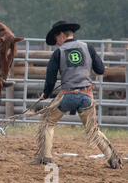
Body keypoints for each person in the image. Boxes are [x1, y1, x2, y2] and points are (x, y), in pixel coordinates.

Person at [33, 20, 123, 169]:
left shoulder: (58, 53)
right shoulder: (88, 47)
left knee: (48, 122)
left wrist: (46, 94)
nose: (56, 43)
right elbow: (100, 70)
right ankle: (113, 159)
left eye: (56, 39)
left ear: (61, 35)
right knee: (93, 130)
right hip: (86, 96)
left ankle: (46, 158)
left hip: (67, 96)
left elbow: (51, 78)